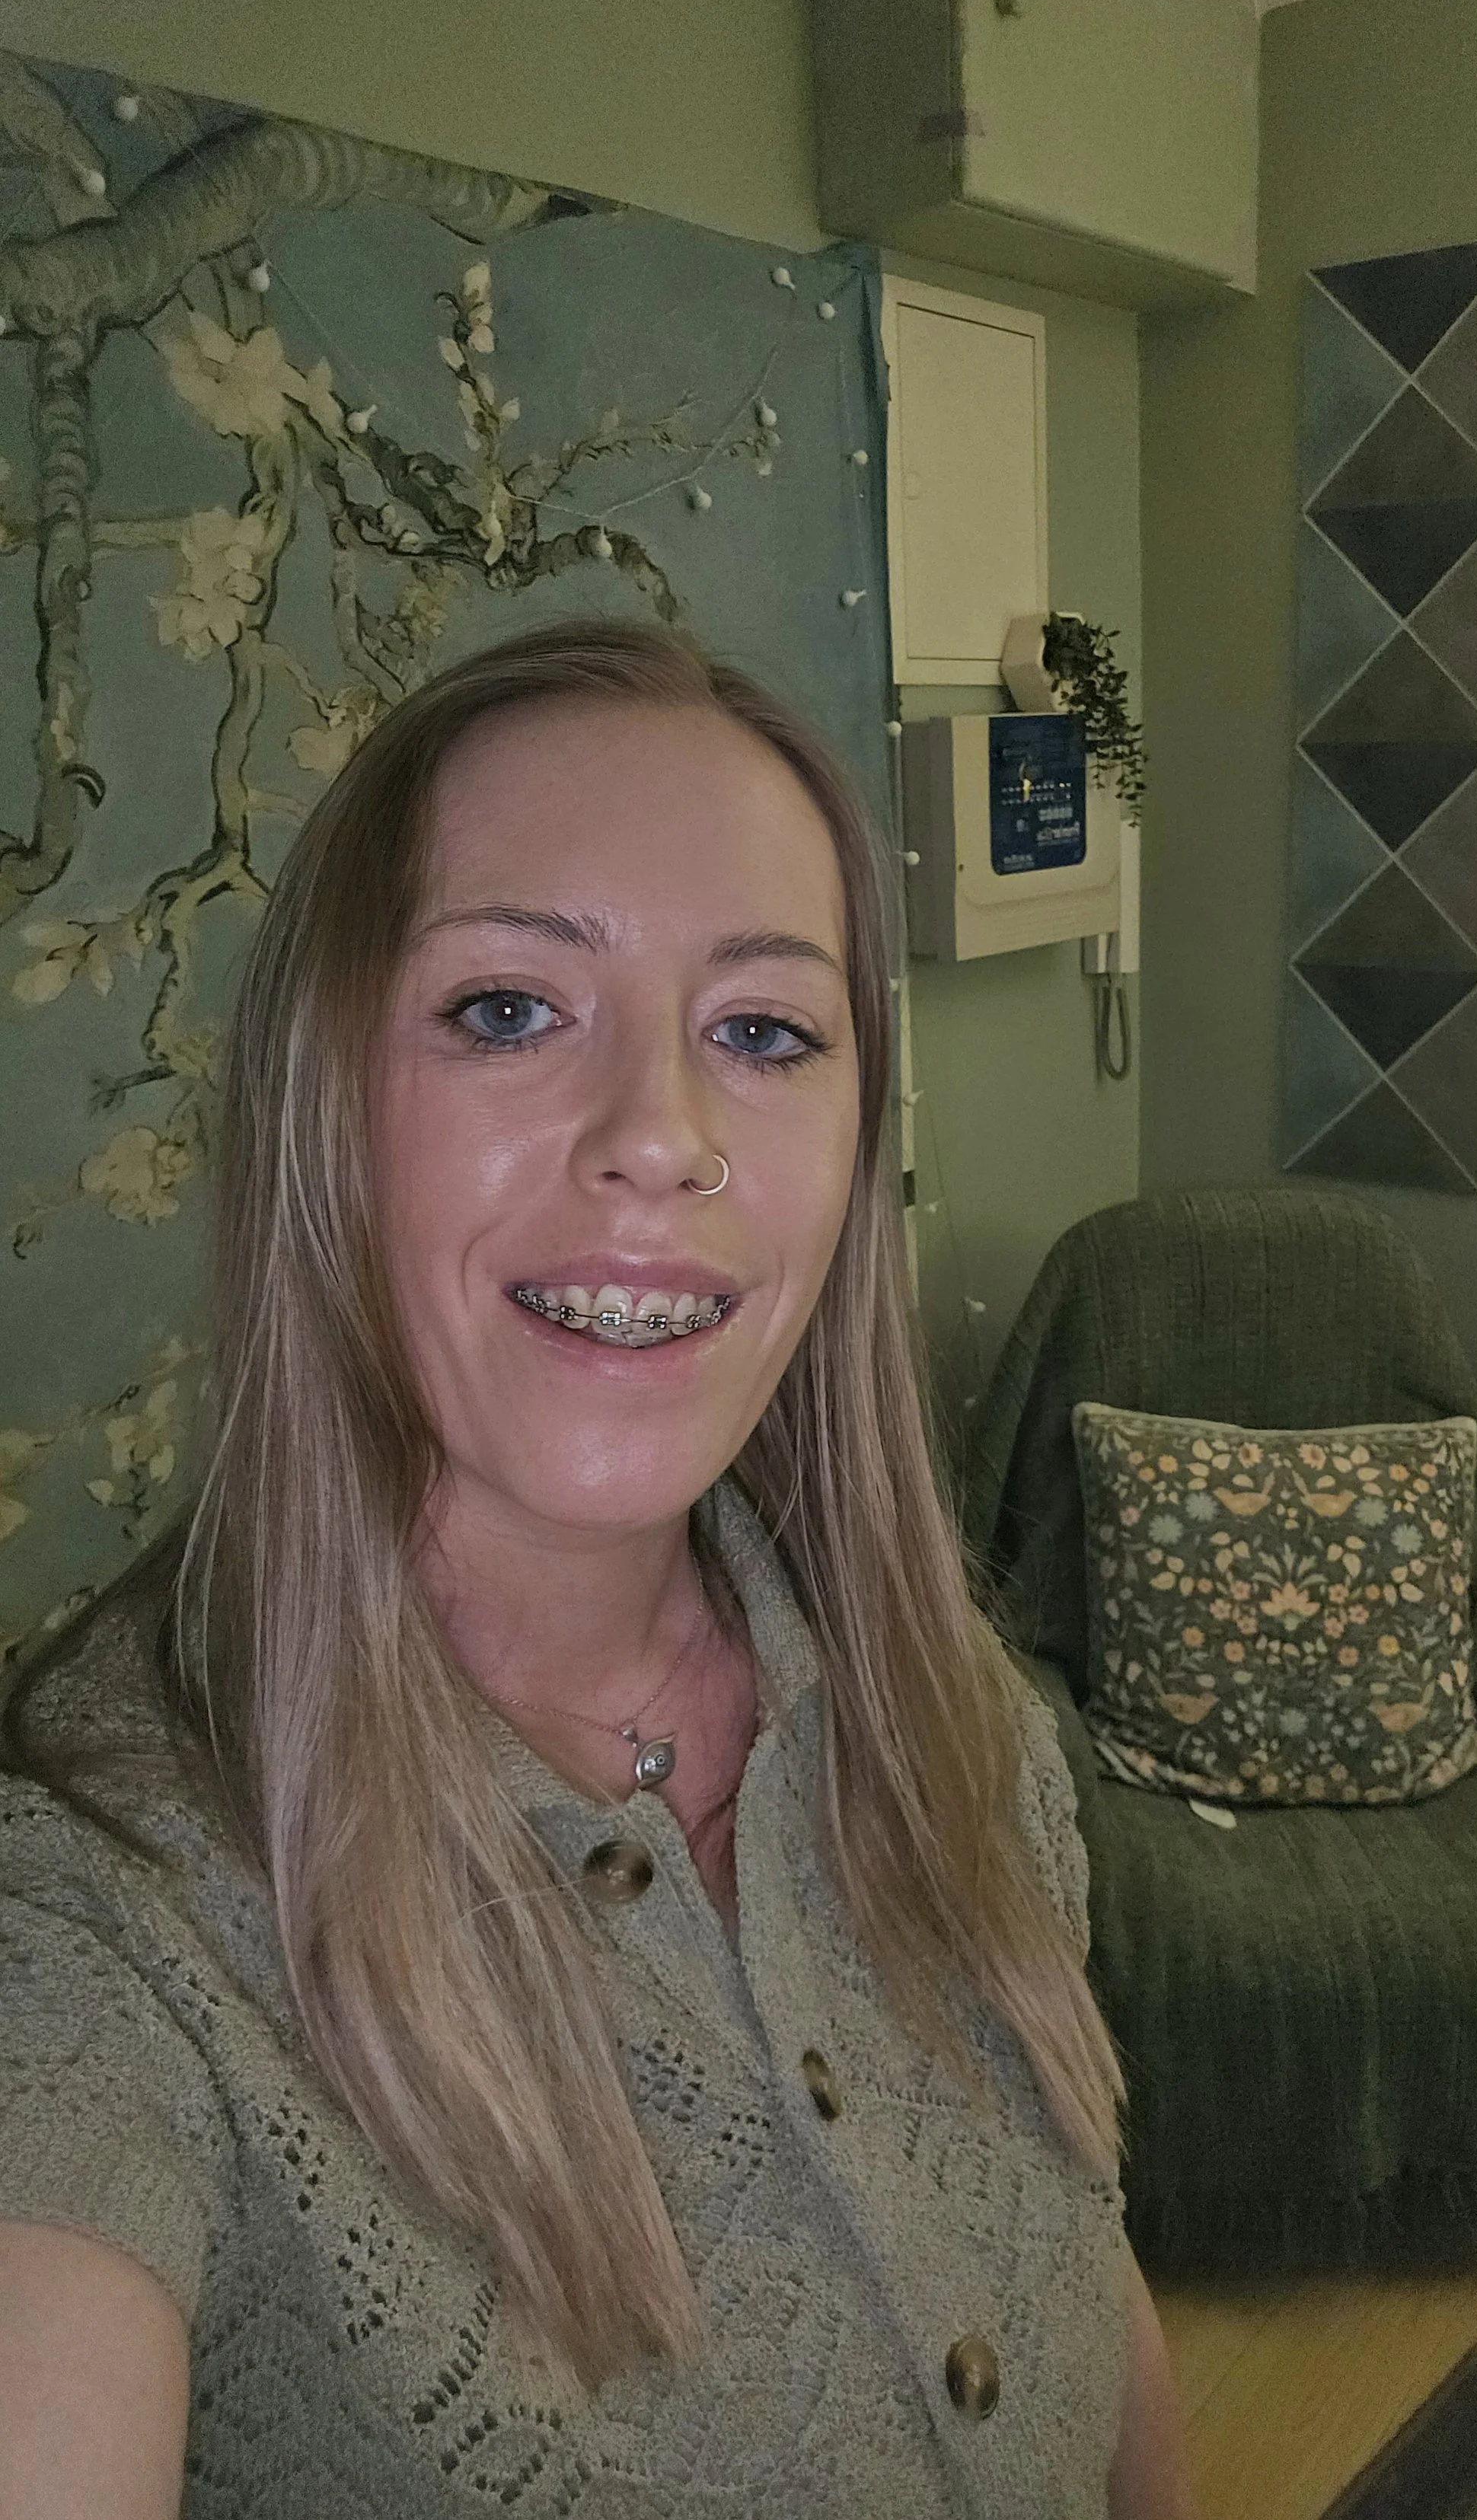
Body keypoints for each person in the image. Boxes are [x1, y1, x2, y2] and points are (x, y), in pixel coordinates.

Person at [0, 619, 1194, 2519]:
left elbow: (1083, 2284)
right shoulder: (96, 1925)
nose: (662, 1133)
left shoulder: (957, 1722)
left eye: (763, 1030)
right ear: (326, 1106)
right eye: (503, 1006)